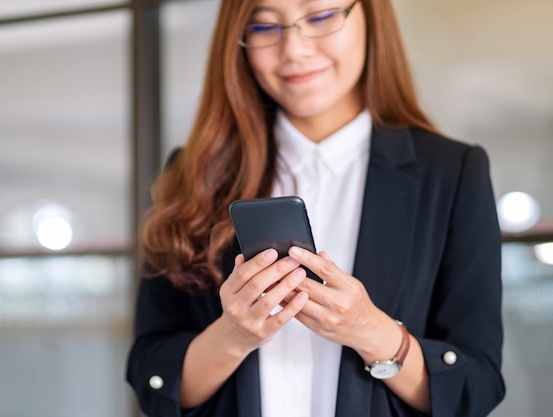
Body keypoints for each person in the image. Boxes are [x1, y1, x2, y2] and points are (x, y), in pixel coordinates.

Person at [126, 0, 505, 415]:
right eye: (264, 27)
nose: (294, 50)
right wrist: (234, 334)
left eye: (321, 17)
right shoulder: (194, 173)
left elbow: (475, 388)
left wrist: (370, 332)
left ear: (371, 17)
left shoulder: (451, 174)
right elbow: (152, 376)